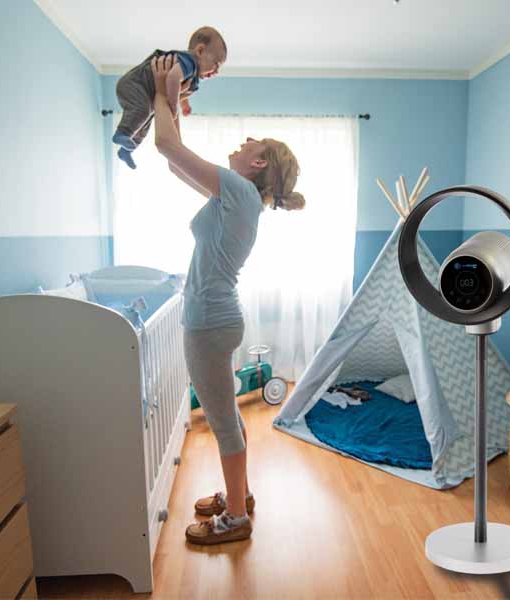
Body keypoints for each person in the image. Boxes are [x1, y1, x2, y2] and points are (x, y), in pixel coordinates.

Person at [150, 54, 305, 545]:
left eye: (249, 143)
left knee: (220, 419)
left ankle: (235, 519)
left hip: (209, 323)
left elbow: (164, 145)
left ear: (257, 164)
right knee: (227, 415)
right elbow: (175, 163)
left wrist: (162, 87)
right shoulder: (234, 195)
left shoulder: (237, 190)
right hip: (217, 319)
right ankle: (240, 494)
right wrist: (174, 105)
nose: (241, 144)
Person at [112, 26, 227, 169]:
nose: (216, 72)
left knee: (143, 125)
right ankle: (121, 133)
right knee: (141, 112)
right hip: (135, 85)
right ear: (200, 51)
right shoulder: (189, 61)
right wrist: (173, 106)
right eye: (216, 64)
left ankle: (126, 150)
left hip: (145, 95)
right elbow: (173, 79)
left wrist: (184, 104)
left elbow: (179, 87)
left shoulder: (191, 72)